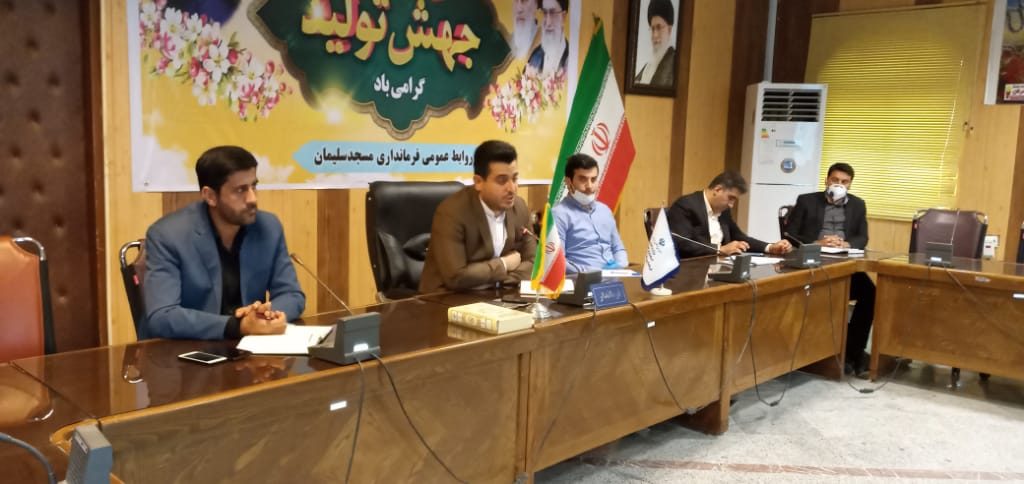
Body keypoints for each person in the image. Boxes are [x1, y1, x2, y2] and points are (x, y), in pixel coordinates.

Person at [143, 146, 305, 340]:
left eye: (253, 186)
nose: (252, 199)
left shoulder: (268, 227)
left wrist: (265, 316)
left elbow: (292, 295)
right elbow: (162, 317)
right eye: (240, 190)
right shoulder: (168, 235)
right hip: (191, 349)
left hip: (252, 350)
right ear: (210, 196)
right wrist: (237, 326)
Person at [784, 162, 873, 376]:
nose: (839, 184)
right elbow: (790, 234)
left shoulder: (858, 205)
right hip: (813, 264)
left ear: (850, 184)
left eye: (844, 181)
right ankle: (821, 351)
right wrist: (818, 242)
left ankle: (852, 351)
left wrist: (846, 243)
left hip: (844, 264)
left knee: (871, 294)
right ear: (827, 180)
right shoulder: (806, 200)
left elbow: (862, 237)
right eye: (835, 180)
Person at [419, 140, 537, 292]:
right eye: (502, 181)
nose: (512, 188)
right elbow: (456, 277)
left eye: (514, 179)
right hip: (446, 298)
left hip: (498, 294)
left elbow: (533, 262)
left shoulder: (519, 207)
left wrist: (498, 281)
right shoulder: (451, 213)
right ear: (479, 182)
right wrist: (504, 264)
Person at [666, 171, 792, 259]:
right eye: (730, 198)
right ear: (717, 190)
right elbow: (681, 243)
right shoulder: (686, 206)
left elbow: (738, 236)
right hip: (693, 271)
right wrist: (719, 249)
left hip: (720, 265)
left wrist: (770, 247)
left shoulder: (723, 210)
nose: (731, 205)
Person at [551, 153, 628, 273]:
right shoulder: (559, 214)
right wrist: (593, 272)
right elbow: (557, 261)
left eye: (593, 179)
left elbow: (618, 249)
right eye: (583, 179)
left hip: (614, 276)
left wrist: (619, 266)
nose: (589, 186)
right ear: (568, 181)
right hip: (582, 278)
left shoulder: (605, 210)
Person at [633, 0, 676, 87]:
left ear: (669, 30)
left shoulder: (675, 64)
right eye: (652, 29)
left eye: (659, 28)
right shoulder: (647, 67)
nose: (655, 35)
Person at [527, 0, 569, 77]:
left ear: (563, 17)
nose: (548, 22)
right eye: (544, 13)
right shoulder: (535, 56)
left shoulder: (570, 59)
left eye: (553, 13)